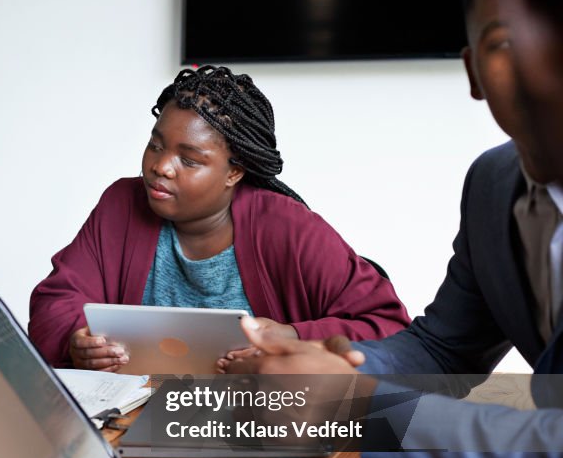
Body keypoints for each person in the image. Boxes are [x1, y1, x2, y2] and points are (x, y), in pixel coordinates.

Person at [229, 0, 563, 458]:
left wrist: (359, 405)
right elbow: (442, 346)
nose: (537, 63)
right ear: (473, 72)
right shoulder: (491, 184)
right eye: (504, 42)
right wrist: (328, 366)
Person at [28, 66, 409, 373]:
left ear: (234, 172)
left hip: (260, 420)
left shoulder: (289, 228)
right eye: (155, 145)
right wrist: (76, 339)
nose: (161, 167)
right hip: (136, 416)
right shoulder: (121, 205)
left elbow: (389, 326)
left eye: (189, 160)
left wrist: (291, 337)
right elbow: (55, 300)